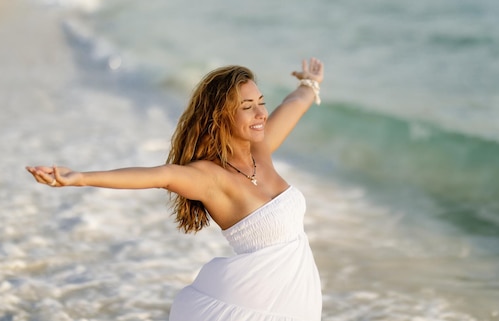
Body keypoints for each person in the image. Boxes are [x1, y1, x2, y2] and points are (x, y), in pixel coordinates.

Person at [26, 58, 325, 321]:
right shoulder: (211, 177)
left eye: (260, 101)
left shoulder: (260, 152)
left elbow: (293, 104)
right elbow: (162, 176)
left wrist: (310, 83)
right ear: (220, 115)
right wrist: (79, 177)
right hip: (250, 304)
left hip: (297, 300)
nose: (260, 113)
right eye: (247, 107)